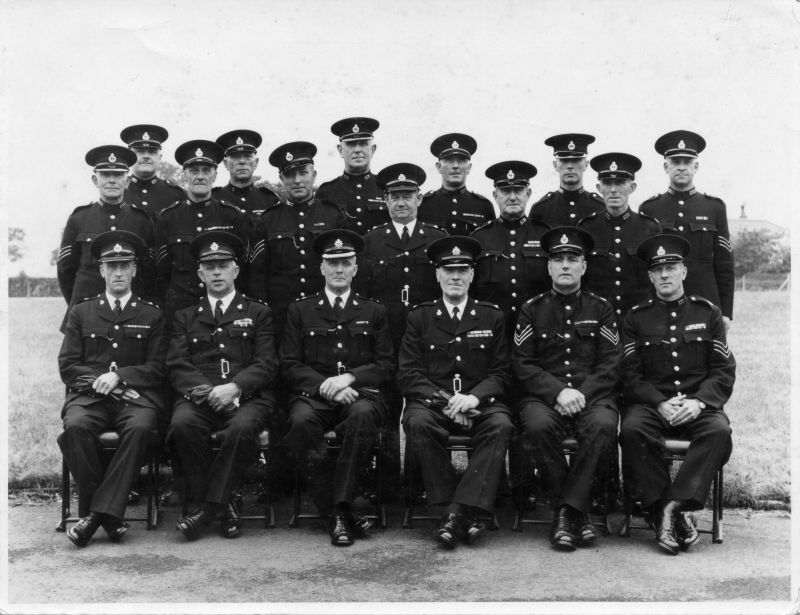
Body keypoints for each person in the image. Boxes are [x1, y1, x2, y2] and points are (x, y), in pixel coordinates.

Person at [619, 233, 735, 555]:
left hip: (698, 405)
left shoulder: (708, 313)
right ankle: (666, 512)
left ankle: (671, 507)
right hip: (653, 406)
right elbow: (629, 374)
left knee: (719, 431)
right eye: (658, 269)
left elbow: (724, 371)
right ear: (650, 276)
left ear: (684, 271)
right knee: (630, 429)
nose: (665, 274)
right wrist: (659, 403)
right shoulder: (635, 317)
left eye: (671, 267)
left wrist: (700, 403)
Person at [398, 236, 513, 550]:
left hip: (480, 403)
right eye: (448, 270)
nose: (456, 276)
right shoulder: (419, 316)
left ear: (473, 274)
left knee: (501, 425)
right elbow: (409, 374)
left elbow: (501, 371)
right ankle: (462, 512)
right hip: (435, 404)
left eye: (463, 269)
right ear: (437, 274)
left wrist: (474, 397)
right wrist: (447, 400)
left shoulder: (491, 315)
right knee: (418, 423)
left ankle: (454, 513)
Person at [280, 229, 395, 546]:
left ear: (356, 267)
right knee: (299, 424)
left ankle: (338, 511)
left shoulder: (374, 311)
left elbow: (386, 364)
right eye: (333, 263)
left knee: (361, 418)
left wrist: (350, 378)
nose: (340, 269)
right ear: (322, 268)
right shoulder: (300, 310)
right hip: (314, 398)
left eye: (346, 262)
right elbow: (289, 363)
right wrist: (325, 386)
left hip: (360, 395)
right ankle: (339, 512)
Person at [511, 226, 621, 551]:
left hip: (592, 397)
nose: (565, 265)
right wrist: (558, 392)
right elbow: (523, 363)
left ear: (584, 266)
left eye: (572, 259)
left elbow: (612, 363)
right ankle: (579, 512)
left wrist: (581, 393)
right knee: (536, 424)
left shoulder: (601, 309)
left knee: (602, 425)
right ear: (548, 267)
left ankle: (566, 511)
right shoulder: (532, 309)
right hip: (546, 399)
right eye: (558, 259)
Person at [57, 230, 166, 548]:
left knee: (142, 427)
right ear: (101, 270)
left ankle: (93, 516)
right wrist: (98, 381)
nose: (118, 272)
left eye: (125, 266)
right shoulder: (81, 312)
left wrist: (120, 378)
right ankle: (109, 516)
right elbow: (68, 365)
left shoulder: (152, 315)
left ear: (134, 270)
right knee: (74, 426)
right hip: (89, 398)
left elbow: (157, 368)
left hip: (135, 399)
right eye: (112, 266)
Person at [167, 231, 278, 541]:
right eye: (209, 267)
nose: (217, 272)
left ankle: (205, 507)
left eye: (223, 265)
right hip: (201, 398)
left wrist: (235, 388)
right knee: (181, 423)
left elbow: (267, 363)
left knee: (242, 428)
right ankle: (225, 505)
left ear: (236, 270)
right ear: (200, 273)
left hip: (247, 398)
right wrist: (208, 392)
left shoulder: (258, 312)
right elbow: (176, 364)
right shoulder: (185, 317)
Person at [360, 163, 446, 496]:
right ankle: (385, 488)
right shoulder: (371, 242)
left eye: (407, 195)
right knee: (385, 408)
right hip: (384, 339)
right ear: (385, 200)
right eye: (395, 196)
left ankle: (417, 484)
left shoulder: (436, 240)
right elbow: (364, 296)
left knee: (422, 407)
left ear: (419, 198)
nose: (401, 202)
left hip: (427, 341)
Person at [247, 141, 349, 343]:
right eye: (290, 175)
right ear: (281, 179)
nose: (297, 180)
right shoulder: (267, 220)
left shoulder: (333, 215)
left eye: (303, 173)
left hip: (326, 313)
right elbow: (256, 276)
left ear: (314, 175)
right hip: (281, 317)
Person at [639, 130, 734, 328]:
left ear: (696, 166)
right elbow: (644, 265)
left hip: (706, 299)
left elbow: (724, 264)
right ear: (666, 166)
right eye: (675, 162)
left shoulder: (714, 207)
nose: (681, 167)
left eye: (687, 162)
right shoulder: (649, 208)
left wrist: (726, 312)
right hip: (662, 300)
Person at [57, 145, 156, 332]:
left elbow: (148, 272)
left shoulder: (141, 220)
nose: (112, 180)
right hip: (86, 311)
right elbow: (65, 271)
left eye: (118, 175)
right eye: (105, 174)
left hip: (131, 313)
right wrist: (80, 306)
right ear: (95, 180)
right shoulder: (79, 218)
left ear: (127, 181)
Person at [155, 139, 249, 322]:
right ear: (184, 175)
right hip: (179, 309)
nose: (200, 176)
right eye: (194, 171)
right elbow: (162, 271)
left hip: (224, 309)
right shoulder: (168, 217)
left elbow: (243, 266)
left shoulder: (231, 215)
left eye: (206, 171)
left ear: (214, 175)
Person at [471, 160, 551, 337]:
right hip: (492, 330)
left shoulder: (544, 235)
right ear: (495, 195)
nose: (512, 197)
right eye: (506, 191)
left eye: (518, 190)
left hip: (538, 329)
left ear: (528, 193)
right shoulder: (479, 238)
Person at [578, 152, 661, 318]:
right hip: (597, 317)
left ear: (632, 187)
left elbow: (657, 277)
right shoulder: (586, 227)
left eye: (620, 182)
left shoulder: (650, 227)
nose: (613, 190)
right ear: (599, 188)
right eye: (607, 183)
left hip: (639, 317)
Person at [315, 117, 388, 234]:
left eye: (363, 144)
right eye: (351, 144)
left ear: (373, 150)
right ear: (340, 150)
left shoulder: (385, 188)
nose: (357, 150)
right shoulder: (326, 192)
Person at [417, 133, 495, 235]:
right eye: (449, 160)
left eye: (461, 161)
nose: (455, 166)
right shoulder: (423, 204)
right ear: (438, 167)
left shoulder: (483, 206)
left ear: (469, 168)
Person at [530, 133, 604, 226]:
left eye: (576, 160)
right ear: (555, 165)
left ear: (586, 164)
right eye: (564, 160)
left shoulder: (601, 207)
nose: (569, 166)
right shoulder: (541, 209)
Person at [213, 129, 282, 219]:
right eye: (235, 157)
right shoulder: (214, 199)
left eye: (247, 156)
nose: (242, 161)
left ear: (256, 163)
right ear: (226, 164)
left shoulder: (270, 200)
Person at [120, 124, 185, 217]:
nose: (146, 156)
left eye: (152, 152)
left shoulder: (178, 195)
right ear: (129, 157)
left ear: (160, 158)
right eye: (140, 151)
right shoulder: (117, 193)